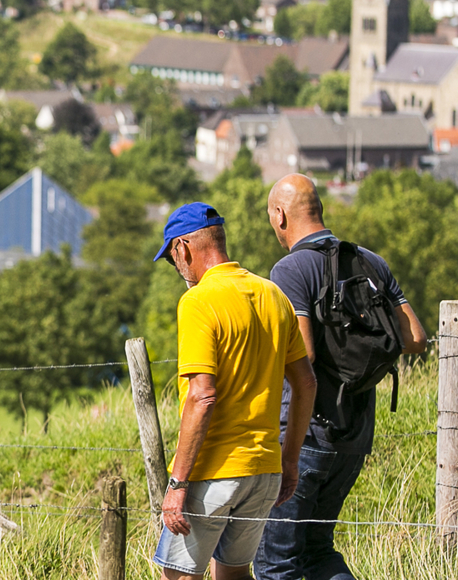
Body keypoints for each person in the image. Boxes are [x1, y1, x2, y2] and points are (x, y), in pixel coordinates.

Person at [254, 174, 429, 580]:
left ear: (280, 215)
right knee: (317, 552)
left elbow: (304, 354)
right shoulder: (371, 263)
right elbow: (416, 338)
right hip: (354, 437)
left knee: (275, 563)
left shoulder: (290, 270)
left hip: (303, 436)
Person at [150, 202, 319, 580]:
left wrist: (177, 483)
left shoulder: (198, 301)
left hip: (214, 472)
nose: (177, 269)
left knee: (178, 576)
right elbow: (306, 382)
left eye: (171, 259)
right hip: (263, 471)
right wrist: (288, 460)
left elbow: (202, 396)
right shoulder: (273, 295)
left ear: (183, 248)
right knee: (235, 574)